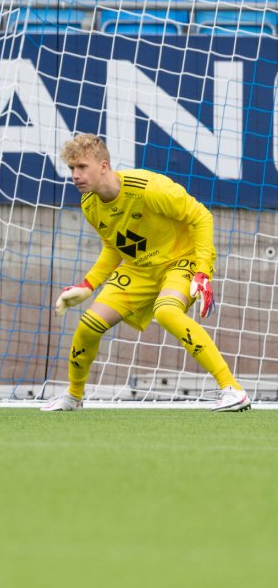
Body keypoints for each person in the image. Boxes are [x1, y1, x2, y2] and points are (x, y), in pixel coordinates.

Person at [45, 132, 250, 413]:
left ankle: (232, 389)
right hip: (139, 269)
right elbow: (114, 247)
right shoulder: (90, 204)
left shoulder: (148, 188)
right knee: (88, 326)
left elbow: (202, 217)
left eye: (82, 167)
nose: (75, 175)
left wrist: (202, 272)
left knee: (166, 312)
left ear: (103, 166)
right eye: (71, 169)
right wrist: (88, 284)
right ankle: (74, 396)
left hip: (182, 259)